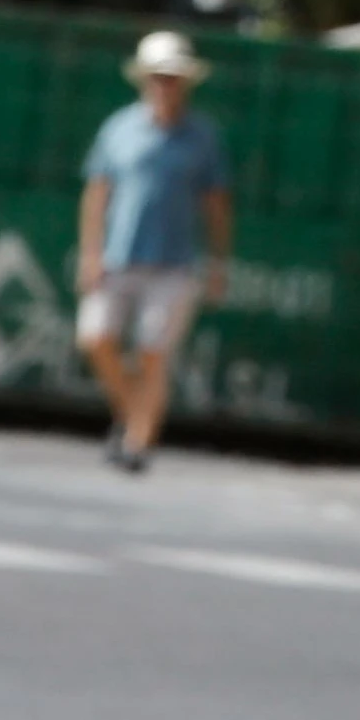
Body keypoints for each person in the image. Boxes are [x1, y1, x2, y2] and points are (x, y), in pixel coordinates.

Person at [72, 32, 230, 472]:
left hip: (174, 265)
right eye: (159, 76)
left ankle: (138, 443)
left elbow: (217, 206)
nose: (166, 85)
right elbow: (97, 193)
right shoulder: (119, 128)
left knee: (152, 352)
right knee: (95, 338)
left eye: (174, 78)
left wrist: (219, 262)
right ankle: (132, 416)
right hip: (119, 257)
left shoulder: (203, 137)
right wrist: (91, 253)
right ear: (144, 79)